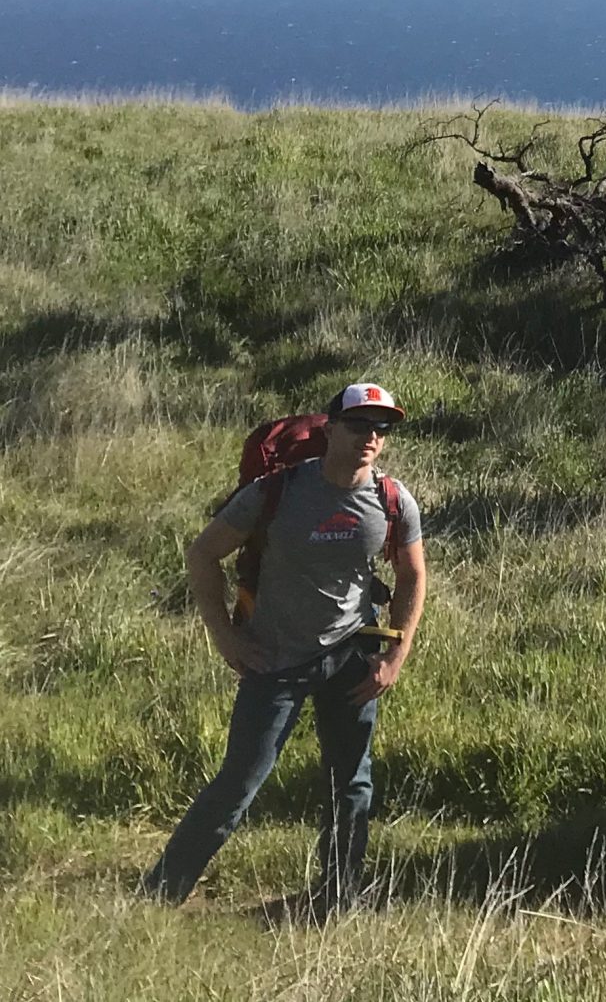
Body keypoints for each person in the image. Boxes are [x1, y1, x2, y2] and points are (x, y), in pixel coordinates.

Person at [143, 383, 427, 916]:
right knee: (238, 785)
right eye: (360, 423)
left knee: (352, 784)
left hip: (353, 658)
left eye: (381, 427)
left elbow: (413, 577)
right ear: (330, 428)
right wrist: (225, 637)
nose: (371, 435)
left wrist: (396, 654)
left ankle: (336, 901)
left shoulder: (392, 499)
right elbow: (203, 555)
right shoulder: (277, 492)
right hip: (275, 659)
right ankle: (158, 897)